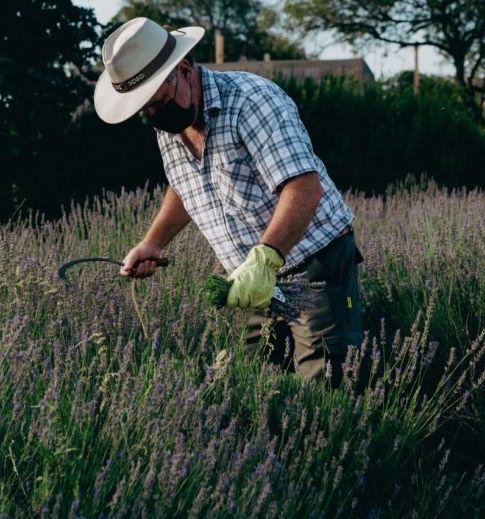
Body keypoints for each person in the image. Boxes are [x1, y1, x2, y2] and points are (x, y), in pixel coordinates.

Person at [94, 17, 363, 386]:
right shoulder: (171, 124)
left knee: (325, 387)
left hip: (314, 265)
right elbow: (187, 186)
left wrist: (266, 259)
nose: (156, 116)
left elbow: (304, 187)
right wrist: (152, 242)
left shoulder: (252, 101)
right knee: (262, 388)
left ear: (184, 69)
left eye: (158, 101)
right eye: (147, 111)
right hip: (250, 280)